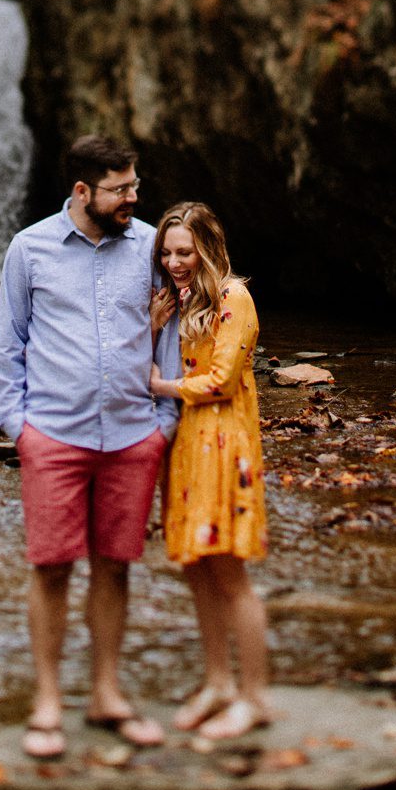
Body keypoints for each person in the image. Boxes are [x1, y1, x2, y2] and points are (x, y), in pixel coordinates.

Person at [0, 134, 178, 760]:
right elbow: (8, 345)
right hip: (55, 436)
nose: (133, 197)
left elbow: (169, 334)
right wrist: (22, 429)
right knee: (50, 568)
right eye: (121, 188)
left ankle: (106, 693)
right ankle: (47, 701)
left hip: (132, 436)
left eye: (134, 186)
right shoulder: (29, 249)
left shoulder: (152, 246)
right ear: (81, 191)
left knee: (115, 566)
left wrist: (163, 425)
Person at [148, 201, 272, 739]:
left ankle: (255, 697)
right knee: (196, 567)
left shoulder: (232, 297)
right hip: (185, 444)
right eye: (168, 252)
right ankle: (219, 682)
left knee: (229, 574)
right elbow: (149, 363)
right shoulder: (178, 303)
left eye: (185, 251)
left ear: (208, 248)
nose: (176, 262)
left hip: (224, 441)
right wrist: (151, 328)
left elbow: (220, 380)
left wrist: (164, 387)